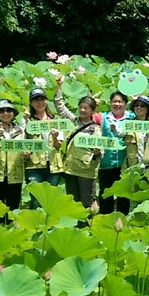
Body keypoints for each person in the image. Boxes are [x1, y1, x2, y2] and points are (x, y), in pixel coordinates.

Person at [54, 75, 101, 210]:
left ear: (92, 111)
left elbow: (100, 150)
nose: (82, 110)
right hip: (70, 169)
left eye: (86, 108)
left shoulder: (95, 129)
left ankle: (86, 228)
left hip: (86, 171)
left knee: (86, 203)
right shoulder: (73, 122)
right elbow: (60, 106)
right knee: (73, 204)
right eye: (80, 107)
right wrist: (59, 87)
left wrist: (98, 152)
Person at [96, 91, 134, 214]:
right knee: (106, 195)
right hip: (106, 162)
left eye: (120, 101)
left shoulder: (132, 118)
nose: (117, 104)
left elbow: (147, 119)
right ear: (110, 103)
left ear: (125, 104)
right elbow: (85, 115)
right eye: (114, 101)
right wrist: (91, 101)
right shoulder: (103, 117)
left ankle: (122, 222)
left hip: (125, 163)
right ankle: (105, 224)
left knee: (124, 196)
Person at [24, 87, 64, 199]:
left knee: (50, 200)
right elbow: (23, 140)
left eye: (42, 99)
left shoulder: (55, 120)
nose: (40, 103)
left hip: (53, 165)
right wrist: (27, 122)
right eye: (36, 100)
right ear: (31, 103)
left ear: (46, 101)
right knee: (36, 200)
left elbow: (58, 145)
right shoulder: (28, 121)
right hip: (34, 166)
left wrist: (55, 138)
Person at [124, 95, 149, 174]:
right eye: (136, 105)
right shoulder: (129, 125)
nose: (139, 107)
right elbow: (119, 134)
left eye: (142, 106)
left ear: (147, 109)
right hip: (133, 168)